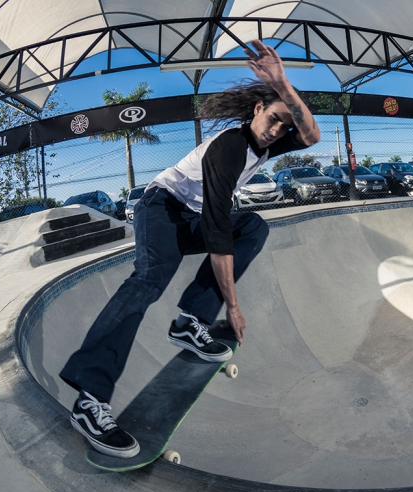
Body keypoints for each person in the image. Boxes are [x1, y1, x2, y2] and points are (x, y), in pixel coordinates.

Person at [59, 39, 321, 458]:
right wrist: (232, 306)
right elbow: (218, 236)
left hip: (192, 217)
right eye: (273, 119)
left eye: (282, 126)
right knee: (148, 281)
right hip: (161, 209)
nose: (276, 130)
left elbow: (311, 134)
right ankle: (89, 401)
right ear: (257, 110)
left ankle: (188, 322)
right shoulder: (229, 150)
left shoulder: (270, 141)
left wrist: (284, 84)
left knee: (252, 225)